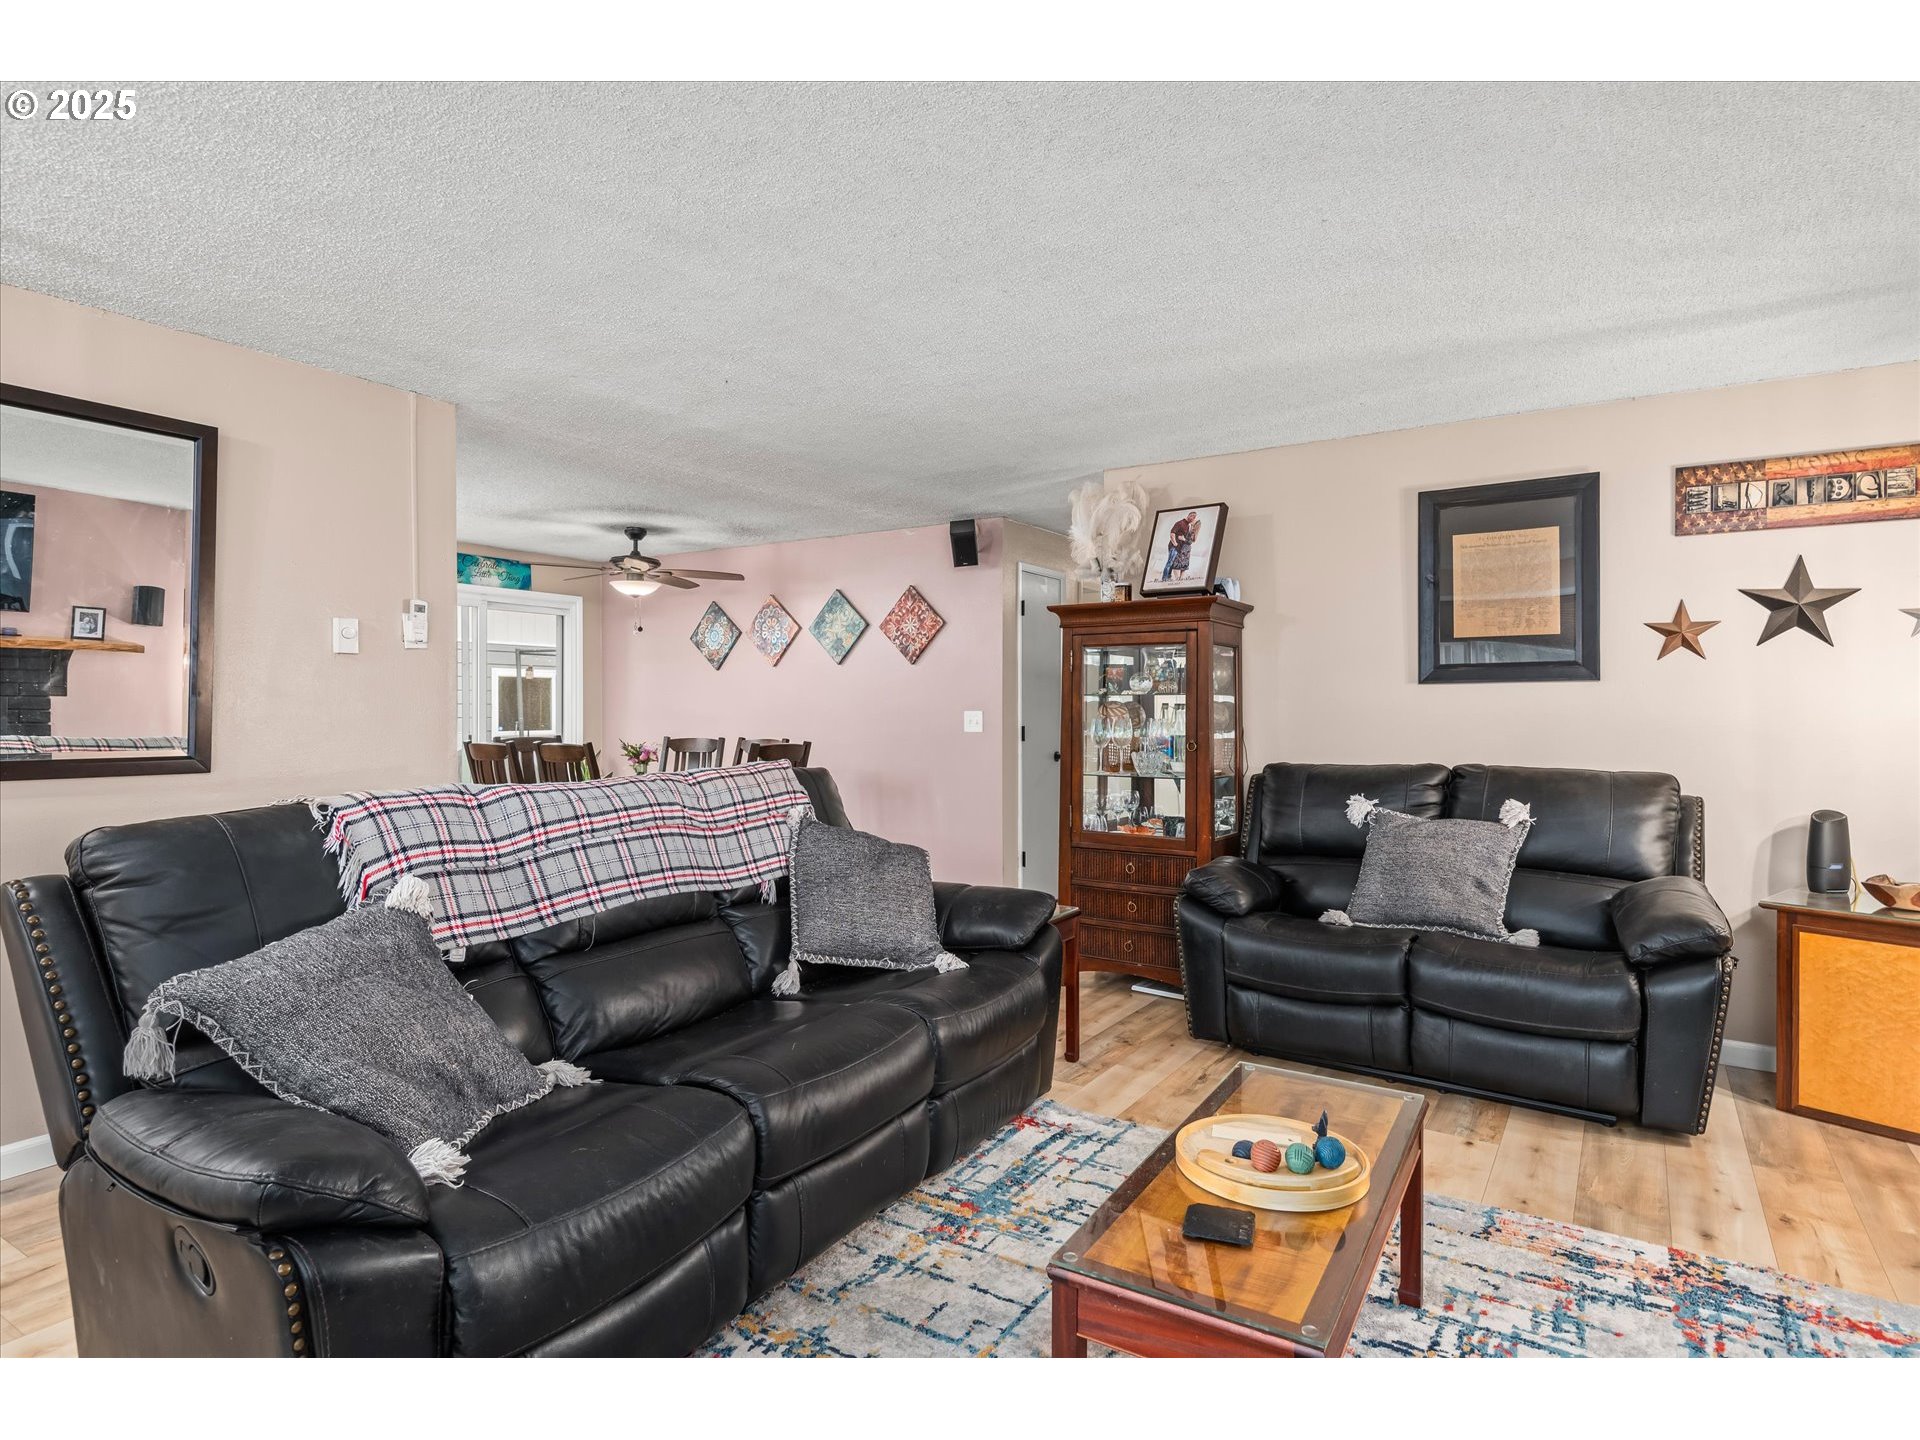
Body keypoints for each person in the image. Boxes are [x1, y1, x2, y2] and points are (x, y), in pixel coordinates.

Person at [1161, 510, 1200, 582]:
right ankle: (1165, 578)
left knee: (1172, 563)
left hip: (1180, 548)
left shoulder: (1188, 526)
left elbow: (1189, 539)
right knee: (1170, 562)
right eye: (1193, 518)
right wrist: (1175, 543)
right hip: (1174, 547)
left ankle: (1168, 577)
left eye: (1194, 518)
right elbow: (1172, 534)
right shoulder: (1180, 523)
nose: (1193, 519)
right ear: (1190, 516)